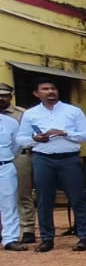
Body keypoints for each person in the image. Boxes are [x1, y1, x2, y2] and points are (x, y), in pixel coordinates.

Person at [17, 78, 86, 252]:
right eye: (45, 89)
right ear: (36, 93)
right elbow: (20, 139)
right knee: (44, 200)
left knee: (77, 198)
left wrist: (64, 132)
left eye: (53, 88)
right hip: (43, 159)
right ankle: (47, 239)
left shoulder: (73, 111)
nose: (50, 91)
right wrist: (35, 139)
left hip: (69, 159)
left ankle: (84, 237)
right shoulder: (30, 114)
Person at [0, 83, 34, 243]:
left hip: (18, 156)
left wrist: (10, 155)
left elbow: (19, 142)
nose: (1, 98)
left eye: (4, 95)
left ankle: (27, 228)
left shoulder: (21, 114)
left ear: (11, 96)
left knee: (22, 192)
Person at [1, 101, 23, 251]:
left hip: (4, 166)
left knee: (9, 204)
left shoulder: (10, 122)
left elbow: (17, 145)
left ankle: (10, 239)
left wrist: (5, 158)